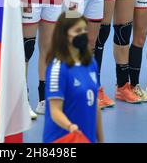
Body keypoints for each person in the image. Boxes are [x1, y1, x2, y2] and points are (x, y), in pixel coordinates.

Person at [43, 12, 104, 143]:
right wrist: (70, 127)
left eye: (84, 30)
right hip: (63, 139)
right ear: (64, 35)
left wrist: (101, 139)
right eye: (77, 30)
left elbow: (95, 106)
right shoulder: (57, 68)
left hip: (86, 138)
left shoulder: (91, 63)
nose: (82, 34)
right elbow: (55, 111)